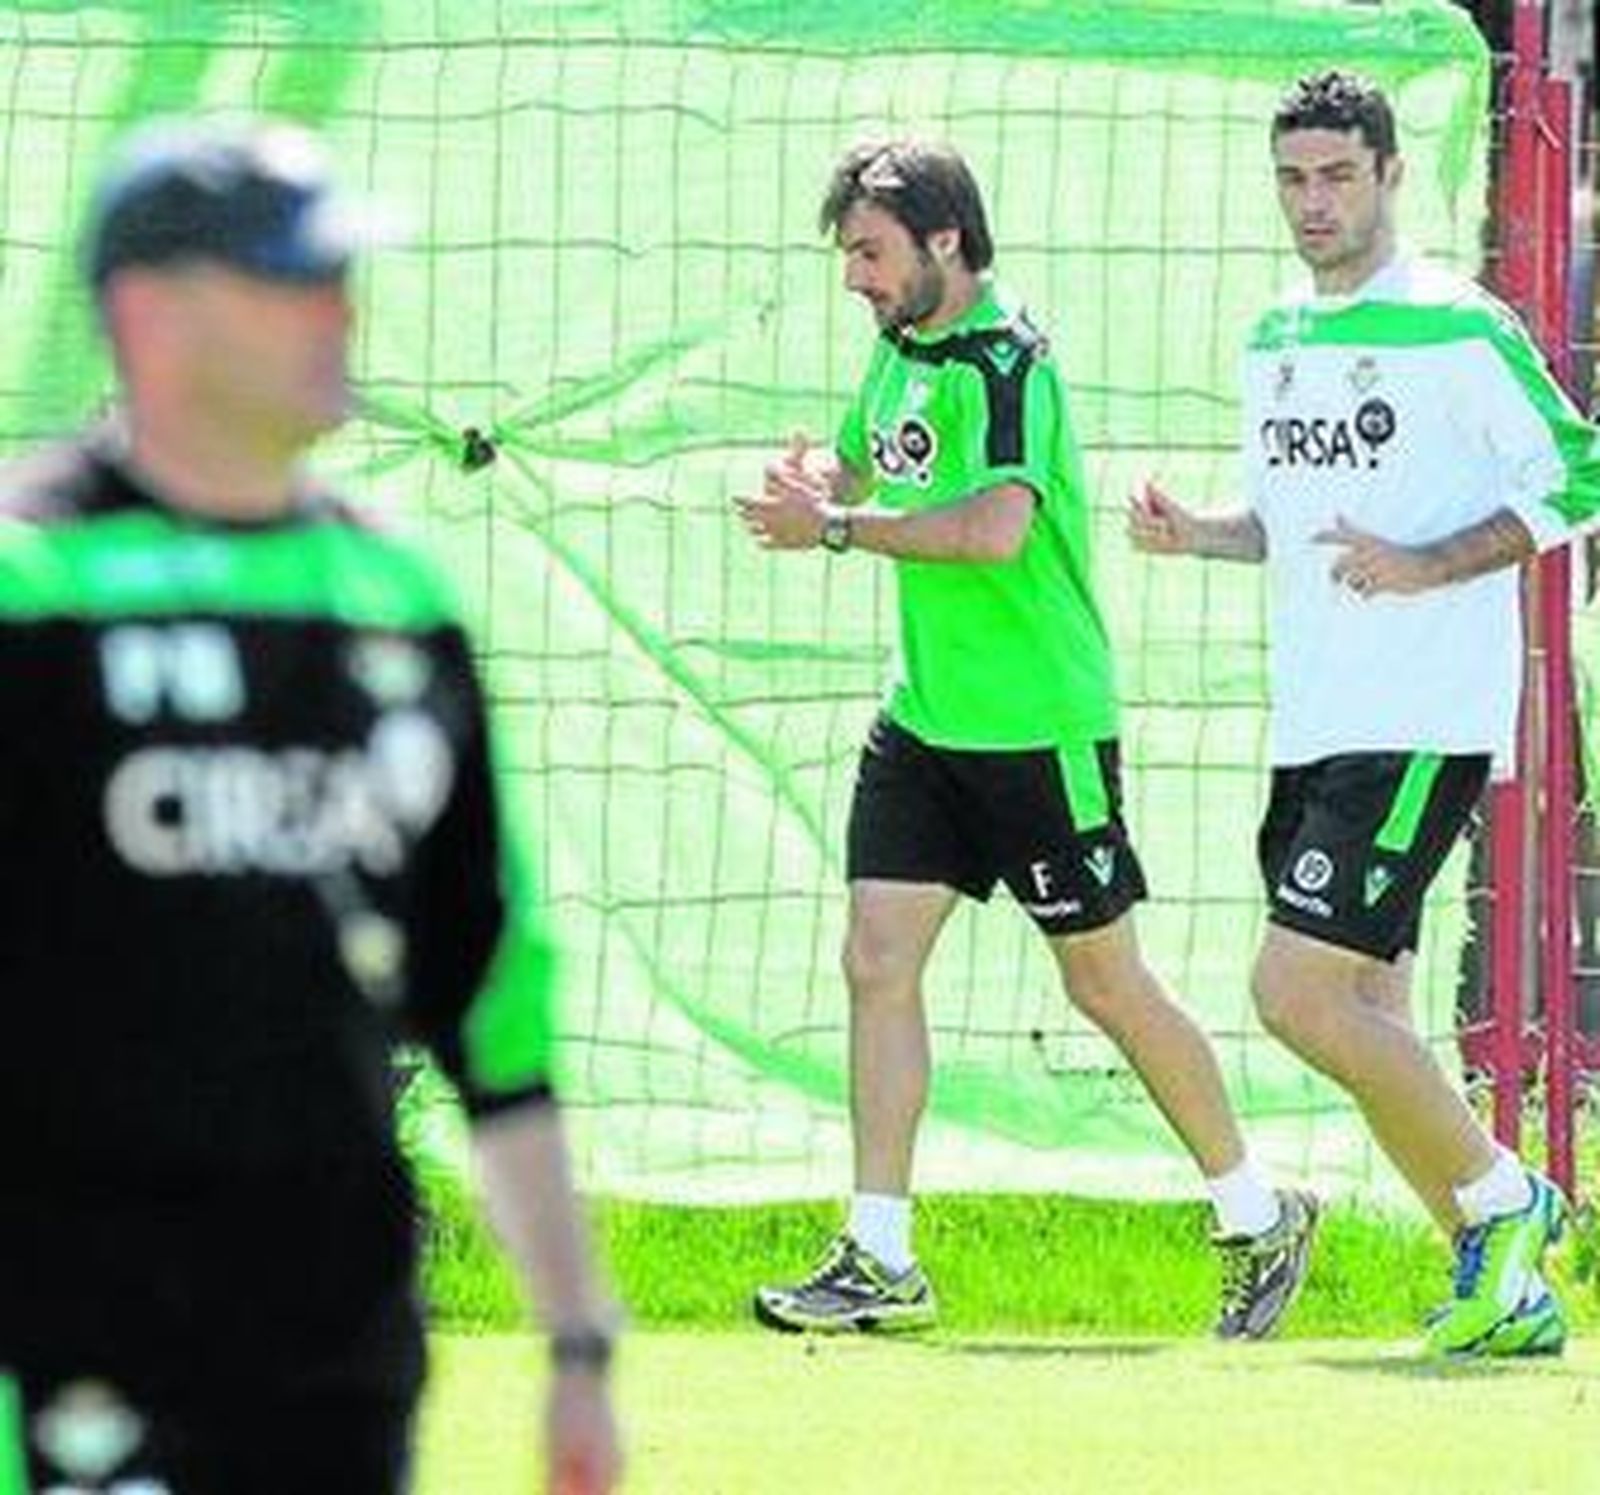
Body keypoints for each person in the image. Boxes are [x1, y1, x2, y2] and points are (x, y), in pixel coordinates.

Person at [0, 119, 622, 1491]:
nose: (340, 309)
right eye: (293, 275)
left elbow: (492, 1004)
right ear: (148, 311)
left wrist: (578, 1340)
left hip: (335, 1351)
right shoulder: (32, 593)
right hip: (73, 1345)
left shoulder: (400, 602)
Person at [735, 139, 1317, 1341]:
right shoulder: (900, 347)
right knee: (875, 958)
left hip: (1038, 729)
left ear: (944, 240)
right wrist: (811, 478)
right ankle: (880, 1256)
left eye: (870, 252)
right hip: (926, 724)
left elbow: (996, 528)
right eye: (849, 253)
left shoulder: (1007, 361)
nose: (854, 276)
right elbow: (863, 457)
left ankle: (1257, 1212)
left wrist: (836, 529)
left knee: (1103, 982)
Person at [1129, 70, 1600, 1357]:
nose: (1313, 202)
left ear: (1391, 174)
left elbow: (1580, 472)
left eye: (1338, 175)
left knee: (1294, 992)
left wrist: (1430, 561)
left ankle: (1511, 1199)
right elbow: (1290, 530)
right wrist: (1197, 537)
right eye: (1293, 178)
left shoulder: (1458, 325)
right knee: (1371, 1019)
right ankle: (1501, 1289)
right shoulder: (1277, 333)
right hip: (1314, 720)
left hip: (1417, 715)